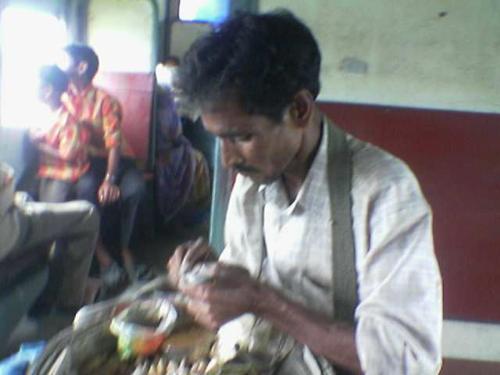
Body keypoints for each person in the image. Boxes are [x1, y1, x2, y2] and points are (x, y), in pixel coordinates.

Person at [167, 11, 442, 375]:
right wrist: (203, 278)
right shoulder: (254, 179)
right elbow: (244, 273)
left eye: (242, 137)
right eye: (219, 139)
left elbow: (408, 360)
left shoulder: (384, 191)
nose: (228, 160)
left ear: (299, 109)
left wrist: (263, 301)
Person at [59, 44, 146, 284]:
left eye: (63, 59)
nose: (59, 63)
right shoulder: (61, 96)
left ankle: (128, 252)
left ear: (81, 66)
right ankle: (104, 258)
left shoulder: (105, 101)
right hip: (87, 162)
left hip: (117, 161)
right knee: (85, 192)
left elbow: (114, 144)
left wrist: (110, 179)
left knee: (135, 191)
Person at [0, 161, 98, 311]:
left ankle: (46, 294)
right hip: (8, 227)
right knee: (88, 214)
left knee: (25, 196)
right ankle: (69, 303)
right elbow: (7, 179)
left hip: (9, 213)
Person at [31, 65, 91, 203]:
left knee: (52, 214)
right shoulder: (44, 113)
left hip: (64, 173)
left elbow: (67, 155)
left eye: (39, 86)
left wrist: (39, 146)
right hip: (46, 169)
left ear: (48, 90)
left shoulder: (67, 120)